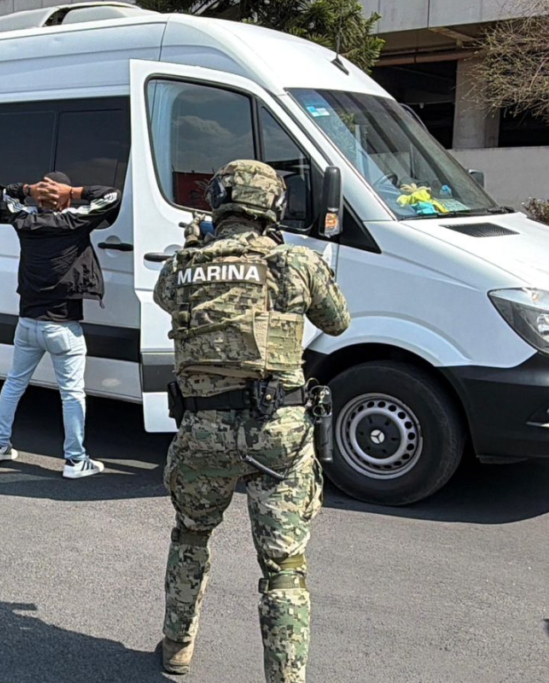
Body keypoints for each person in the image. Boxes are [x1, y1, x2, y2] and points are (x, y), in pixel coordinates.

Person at [153, 160, 350, 680]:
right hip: (278, 429)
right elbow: (338, 320)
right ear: (275, 208)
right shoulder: (295, 262)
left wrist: (199, 246)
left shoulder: (183, 266)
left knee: (191, 535)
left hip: (203, 430)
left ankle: (177, 647)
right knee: (284, 566)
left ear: (218, 201)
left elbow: (164, 299)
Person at [0, 172, 121, 479]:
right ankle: (75, 460)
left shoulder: (24, 222)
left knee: (14, 383)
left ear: (38, 198)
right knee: (72, 394)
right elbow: (111, 195)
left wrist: (29, 188)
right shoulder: (74, 223)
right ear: (65, 198)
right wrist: (74, 189)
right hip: (62, 327)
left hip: (27, 323)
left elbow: (7, 192)